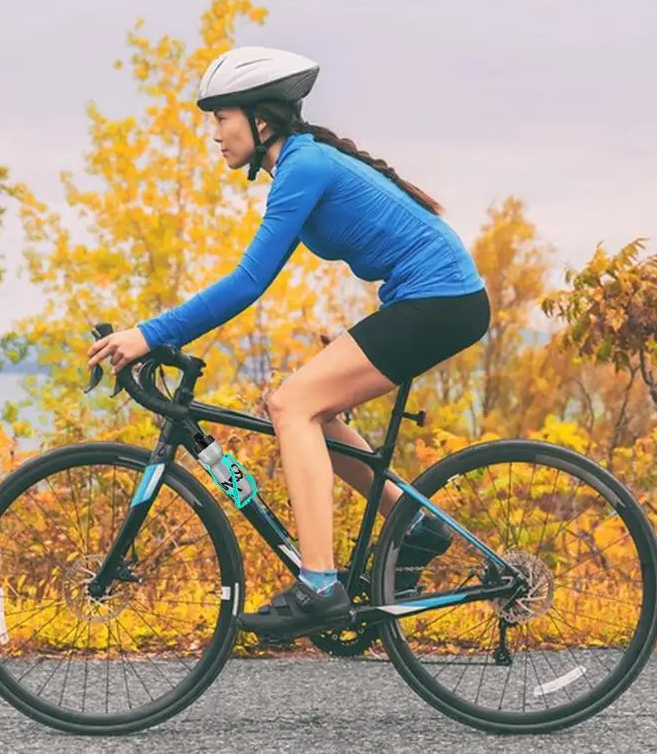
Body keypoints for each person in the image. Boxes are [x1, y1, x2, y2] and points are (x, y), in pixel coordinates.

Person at [87, 46, 491, 638]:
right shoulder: (300, 166)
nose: (215, 134)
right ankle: (414, 526)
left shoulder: (304, 168)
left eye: (221, 119)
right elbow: (250, 278)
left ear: (261, 120)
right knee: (311, 410)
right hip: (434, 301)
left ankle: (320, 584)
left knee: (290, 405)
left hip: (440, 301)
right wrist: (159, 335)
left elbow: (248, 281)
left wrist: (149, 334)